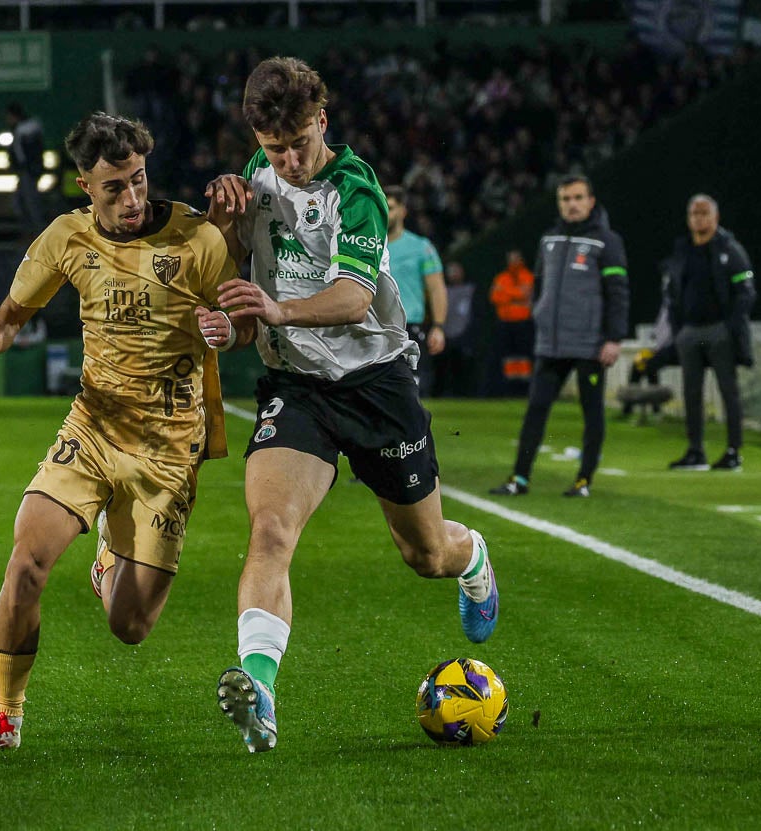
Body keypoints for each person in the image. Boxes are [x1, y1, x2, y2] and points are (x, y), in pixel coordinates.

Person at [202, 56, 498, 754]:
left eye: (300, 142)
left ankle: (472, 554)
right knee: (270, 528)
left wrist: (274, 307)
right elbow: (230, 280)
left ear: (322, 122)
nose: (290, 160)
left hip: (376, 382)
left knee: (422, 553)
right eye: (276, 148)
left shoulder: (355, 188)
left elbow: (353, 299)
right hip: (297, 387)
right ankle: (261, 689)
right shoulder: (254, 178)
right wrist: (222, 241)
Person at [0, 111, 250, 753]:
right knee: (26, 566)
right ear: (86, 185)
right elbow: (11, 314)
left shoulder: (199, 238)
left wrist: (232, 330)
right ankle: (6, 716)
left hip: (167, 451)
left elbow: (243, 320)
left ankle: (108, 555)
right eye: (114, 187)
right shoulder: (67, 238)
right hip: (92, 428)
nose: (132, 198)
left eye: (138, 180)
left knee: (131, 626)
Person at [489, 175, 629, 498]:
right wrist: (540, 315)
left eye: (578, 197)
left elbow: (618, 292)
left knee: (592, 412)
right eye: (566, 199)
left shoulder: (607, 241)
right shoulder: (549, 239)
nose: (572, 204)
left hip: (589, 345)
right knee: (535, 410)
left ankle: (583, 481)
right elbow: (539, 286)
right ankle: (519, 479)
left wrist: (614, 338)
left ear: (591, 201)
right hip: (550, 344)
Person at [660, 194, 756, 471]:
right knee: (691, 393)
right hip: (691, 332)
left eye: (704, 213)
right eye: (694, 214)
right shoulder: (683, 250)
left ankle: (733, 450)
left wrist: (730, 327)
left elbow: (746, 291)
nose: (698, 218)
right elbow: (672, 292)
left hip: (719, 331)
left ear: (716, 217)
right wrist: (678, 330)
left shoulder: (730, 249)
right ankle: (695, 450)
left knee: (729, 392)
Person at [385, 185, 447, 396]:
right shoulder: (368, 244)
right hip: (376, 327)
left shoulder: (421, 247)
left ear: (403, 210)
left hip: (409, 327)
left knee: (413, 392)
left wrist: (438, 326)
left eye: (391, 207)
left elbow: (436, 288)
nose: (385, 211)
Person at [489, 249, 534, 394]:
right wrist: (516, 294)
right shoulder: (502, 277)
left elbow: (527, 294)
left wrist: (507, 294)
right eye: (510, 259)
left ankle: (524, 387)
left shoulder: (528, 277)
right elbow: (495, 297)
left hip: (523, 324)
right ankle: (508, 387)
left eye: (515, 258)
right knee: (506, 357)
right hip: (505, 323)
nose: (513, 262)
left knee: (524, 357)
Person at [432, 261, 476, 397]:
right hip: (445, 334)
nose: (453, 275)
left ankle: (464, 395)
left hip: (462, 335)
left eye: (456, 271)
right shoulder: (443, 290)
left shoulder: (471, 290)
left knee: (462, 368)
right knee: (441, 368)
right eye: (450, 271)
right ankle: (439, 394)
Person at [5, 102, 46, 238]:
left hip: (28, 171)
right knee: (21, 201)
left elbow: (25, 153)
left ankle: (37, 233)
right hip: (27, 171)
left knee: (30, 203)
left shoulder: (25, 131)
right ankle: (31, 231)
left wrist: (24, 166)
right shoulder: (27, 129)